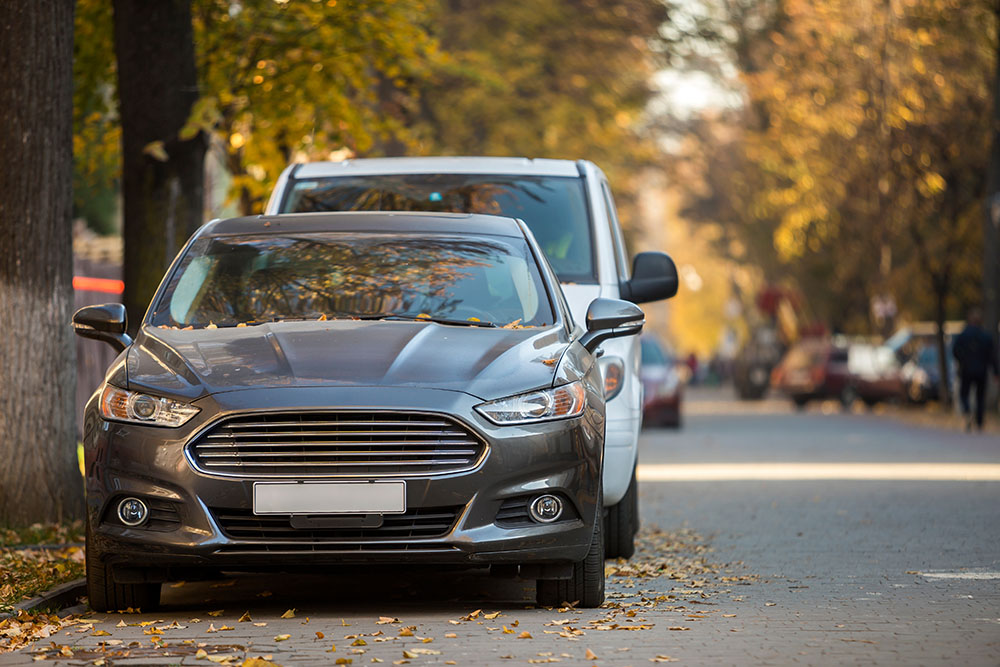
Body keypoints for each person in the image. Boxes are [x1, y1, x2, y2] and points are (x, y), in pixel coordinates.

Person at [951, 307, 998, 431]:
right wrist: (996, 372)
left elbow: (955, 350)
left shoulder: (963, 335)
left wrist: (961, 361)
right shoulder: (986, 336)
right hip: (982, 370)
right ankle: (979, 422)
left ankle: (967, 412)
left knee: (964, 394)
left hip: (966, 369)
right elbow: (992, 356)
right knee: (980, 397)